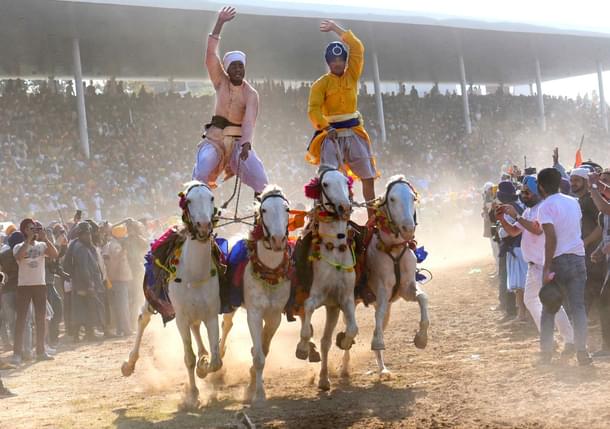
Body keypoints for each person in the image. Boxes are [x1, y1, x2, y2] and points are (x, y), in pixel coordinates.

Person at [193, 6, 269, 195]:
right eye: (233, 67)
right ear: (227, 70)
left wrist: (246, 144)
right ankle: (195, 214)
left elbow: (249, 122)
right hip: (215, 141)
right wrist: (219, 23)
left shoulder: (251, 93)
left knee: (262, 181)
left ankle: (262, 218)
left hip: (238, 144)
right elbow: (211, 55)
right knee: (201, 172)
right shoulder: (220, 81)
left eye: (240, 67)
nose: (237, 70)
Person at [306, 19, 378, 217]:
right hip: (330, 135)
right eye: (333, 61)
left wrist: (336, 29)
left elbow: (357, 47)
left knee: (368, 176)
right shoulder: (320, 84)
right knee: (329, 177)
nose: (337, 63)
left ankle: (372, 217)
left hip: (354, 132)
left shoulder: (352, 75)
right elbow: (313, 109)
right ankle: (330, 215)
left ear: (346, 61)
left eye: (341, 60)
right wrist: (325, 127)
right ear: (328, 63)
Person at [498, 175, 574, 351]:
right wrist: (502, 218)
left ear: (537, 191)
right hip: (533, 266)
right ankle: (549, 338)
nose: (524, 195)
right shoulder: (528, 212)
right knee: (530, 299)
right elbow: (514, 232)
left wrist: (515, 215)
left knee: (551, 302)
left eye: (527, 192)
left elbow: (537, 230)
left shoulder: (543, 209)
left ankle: (569, 340)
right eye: (523, 192)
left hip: (544, 264)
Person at [537, 168, 591, 366]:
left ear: (541, 186)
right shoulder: (573, 202)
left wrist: (546, 267)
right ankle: (582, 352)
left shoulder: (545, 207)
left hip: (559, 261)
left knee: (549, 307)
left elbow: (550, 237)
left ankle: (546, 354)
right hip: (578, 258)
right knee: (578, 307)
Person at [11, 219, 58, 364]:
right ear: (25, 230)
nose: (34, 230)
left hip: (39, 284)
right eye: (31, 228)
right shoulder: (19, 246)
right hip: (24, 285)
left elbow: (55, 254)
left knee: (40, 319)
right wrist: (29, 240)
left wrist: (46, 238)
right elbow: (18, 256)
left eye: (36, 228)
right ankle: (17, 354)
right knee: (21, 320)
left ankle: (41, 351)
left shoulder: (42, 245)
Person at [62, 222, 105, 342]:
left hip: (80, 281)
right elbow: (83, 267)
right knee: (85, 309)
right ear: (80, 235)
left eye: (89, 234)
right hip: (84, 282)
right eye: (86, 234)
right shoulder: (80, 247)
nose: (89, 236)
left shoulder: (77, 244)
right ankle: (86, 334)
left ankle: (82, 334)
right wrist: (90, 285)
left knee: (81, 308)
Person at [570, 167, 604, 313]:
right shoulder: (581, 200)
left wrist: (586, 241)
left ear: (586, 181)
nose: (573, 184)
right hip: (585, 252)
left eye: (577, 180)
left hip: (594, 252)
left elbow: (601, 225)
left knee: (594, 288)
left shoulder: (591, 200)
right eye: (571, 180)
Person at [495, 181, 528, 322]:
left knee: (520, 285)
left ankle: (522, 314)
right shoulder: (520, 206)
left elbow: (505, 232)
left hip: (516, 248)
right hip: (522, 248)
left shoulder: (509, 209)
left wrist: (500, 226)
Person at [589, 169, 610, 358]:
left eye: (606, 182)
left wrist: (594, 187)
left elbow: (605, 208)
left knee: (605, 301)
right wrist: (599, 250)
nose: (603, 186)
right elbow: (606, 236)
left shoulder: (605, 207)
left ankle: (607, 348)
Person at [102, 224, 133, 336]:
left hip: (114, 279)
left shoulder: (109, 245)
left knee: (117, 306)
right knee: (123, 306)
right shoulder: (116, 246)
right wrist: (124, 248)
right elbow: (116, 259)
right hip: (119, 279)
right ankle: (126, 329)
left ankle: (120, 329)